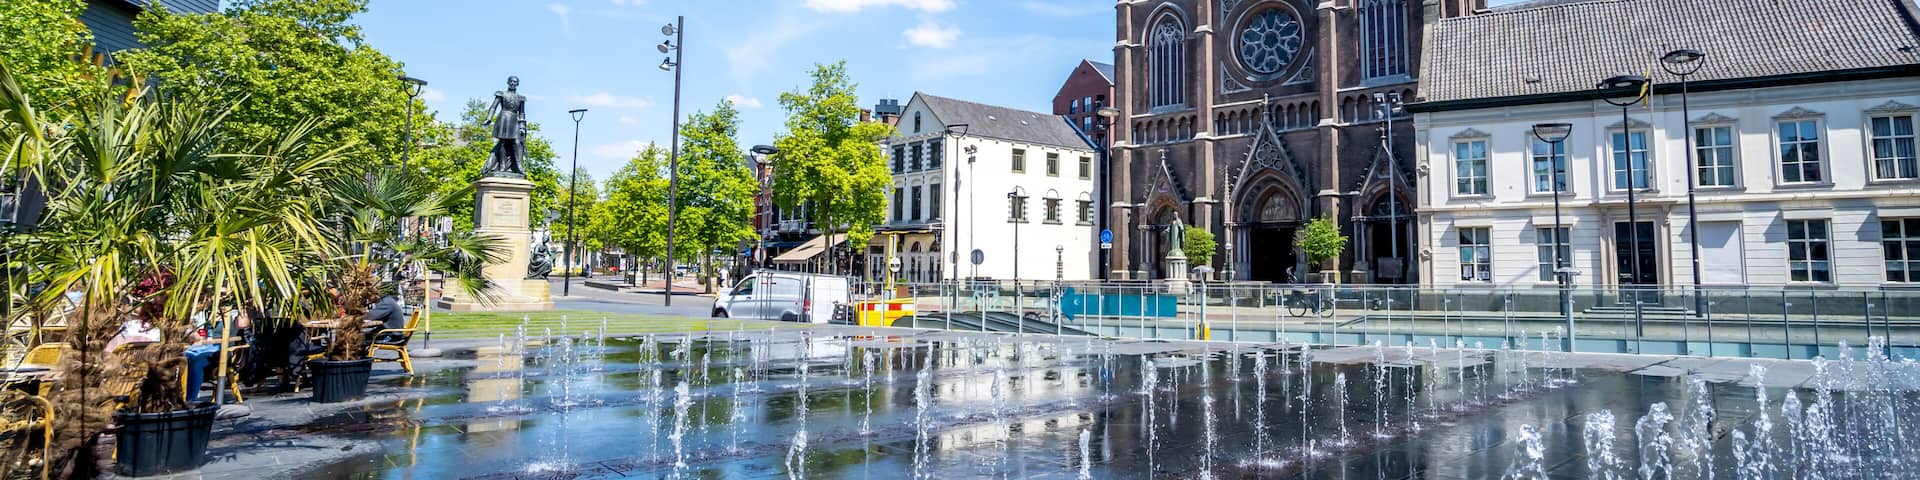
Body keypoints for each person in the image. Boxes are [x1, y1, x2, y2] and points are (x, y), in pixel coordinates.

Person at [183, 302, 249, 403]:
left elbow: (242, 324)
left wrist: (240, 306)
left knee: (196, 362)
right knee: (179, 359)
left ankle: (191, 399)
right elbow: (194, 336)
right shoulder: (202, 311)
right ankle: (178, 397)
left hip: (221, 350)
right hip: (199, 348)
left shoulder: (233, 312)